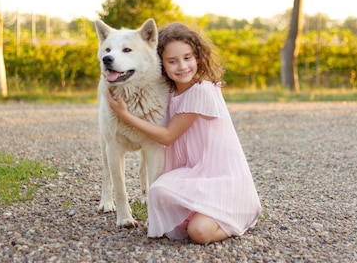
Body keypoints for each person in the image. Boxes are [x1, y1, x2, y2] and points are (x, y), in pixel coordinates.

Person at [106, 22, 262, 245]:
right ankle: (202, 212)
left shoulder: (202, 90)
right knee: (159, 191)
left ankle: (239, 216)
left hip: (219, 178)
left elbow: (168, 136)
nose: (182, 66)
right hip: (194, 174)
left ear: (198, 56)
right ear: (161, 62)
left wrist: (125, 115)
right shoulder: (170, 90)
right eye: (172, 61)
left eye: (188, 58)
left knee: (198, 233)